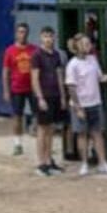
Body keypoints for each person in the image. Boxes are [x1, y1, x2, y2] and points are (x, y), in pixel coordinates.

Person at [65, 35, 107, 177]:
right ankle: (84, 163)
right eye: (85, 43)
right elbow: (71, 88)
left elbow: (100, 78)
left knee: (97, 133)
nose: (88, 45)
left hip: (95, 103)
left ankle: (102, 163)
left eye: (89, 43)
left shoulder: (92, 59)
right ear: (77, 46)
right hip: (81, 105)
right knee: (82, 134)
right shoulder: (72, 64)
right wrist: (78, 108)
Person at [30, 26, 66, 176]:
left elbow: (59, 76)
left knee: (51, 129)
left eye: (50, 36)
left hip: (55, 96)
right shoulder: (37, 55)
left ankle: (49, 160)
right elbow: (34, 78)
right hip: (43, 96)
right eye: (45, 36)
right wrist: (40, 98)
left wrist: (63, 96)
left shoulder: (56, 55)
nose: (48, 39)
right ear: (40, 38)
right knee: (42, 129)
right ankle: (40, 163)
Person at [3, 23, 37, 156]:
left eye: (24, 32)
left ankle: (40, 141)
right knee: (17, 116)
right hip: (17, 88)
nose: (22, 34)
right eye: (20, 32)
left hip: (33, 88)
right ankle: (17, 144)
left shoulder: (34, 49)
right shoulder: (10, 51)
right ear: (16, 34)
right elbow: (5, 72)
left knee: (38, 115)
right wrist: (6, 90)